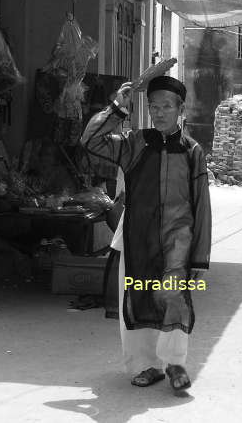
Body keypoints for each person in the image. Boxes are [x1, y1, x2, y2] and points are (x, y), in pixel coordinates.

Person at [81, 75, 212, 392]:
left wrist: (200, 257)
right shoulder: (135, 144)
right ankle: (146, 365)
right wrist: (116, 108)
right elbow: (91, 141)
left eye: (167, 106)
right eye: (154, 107)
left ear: (180, 108)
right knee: (137, 298)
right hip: (138, 238)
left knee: (174, 297)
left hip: (177, 240)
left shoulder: (192, 152)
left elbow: (202, 207)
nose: (160, 113)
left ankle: (176, 364)